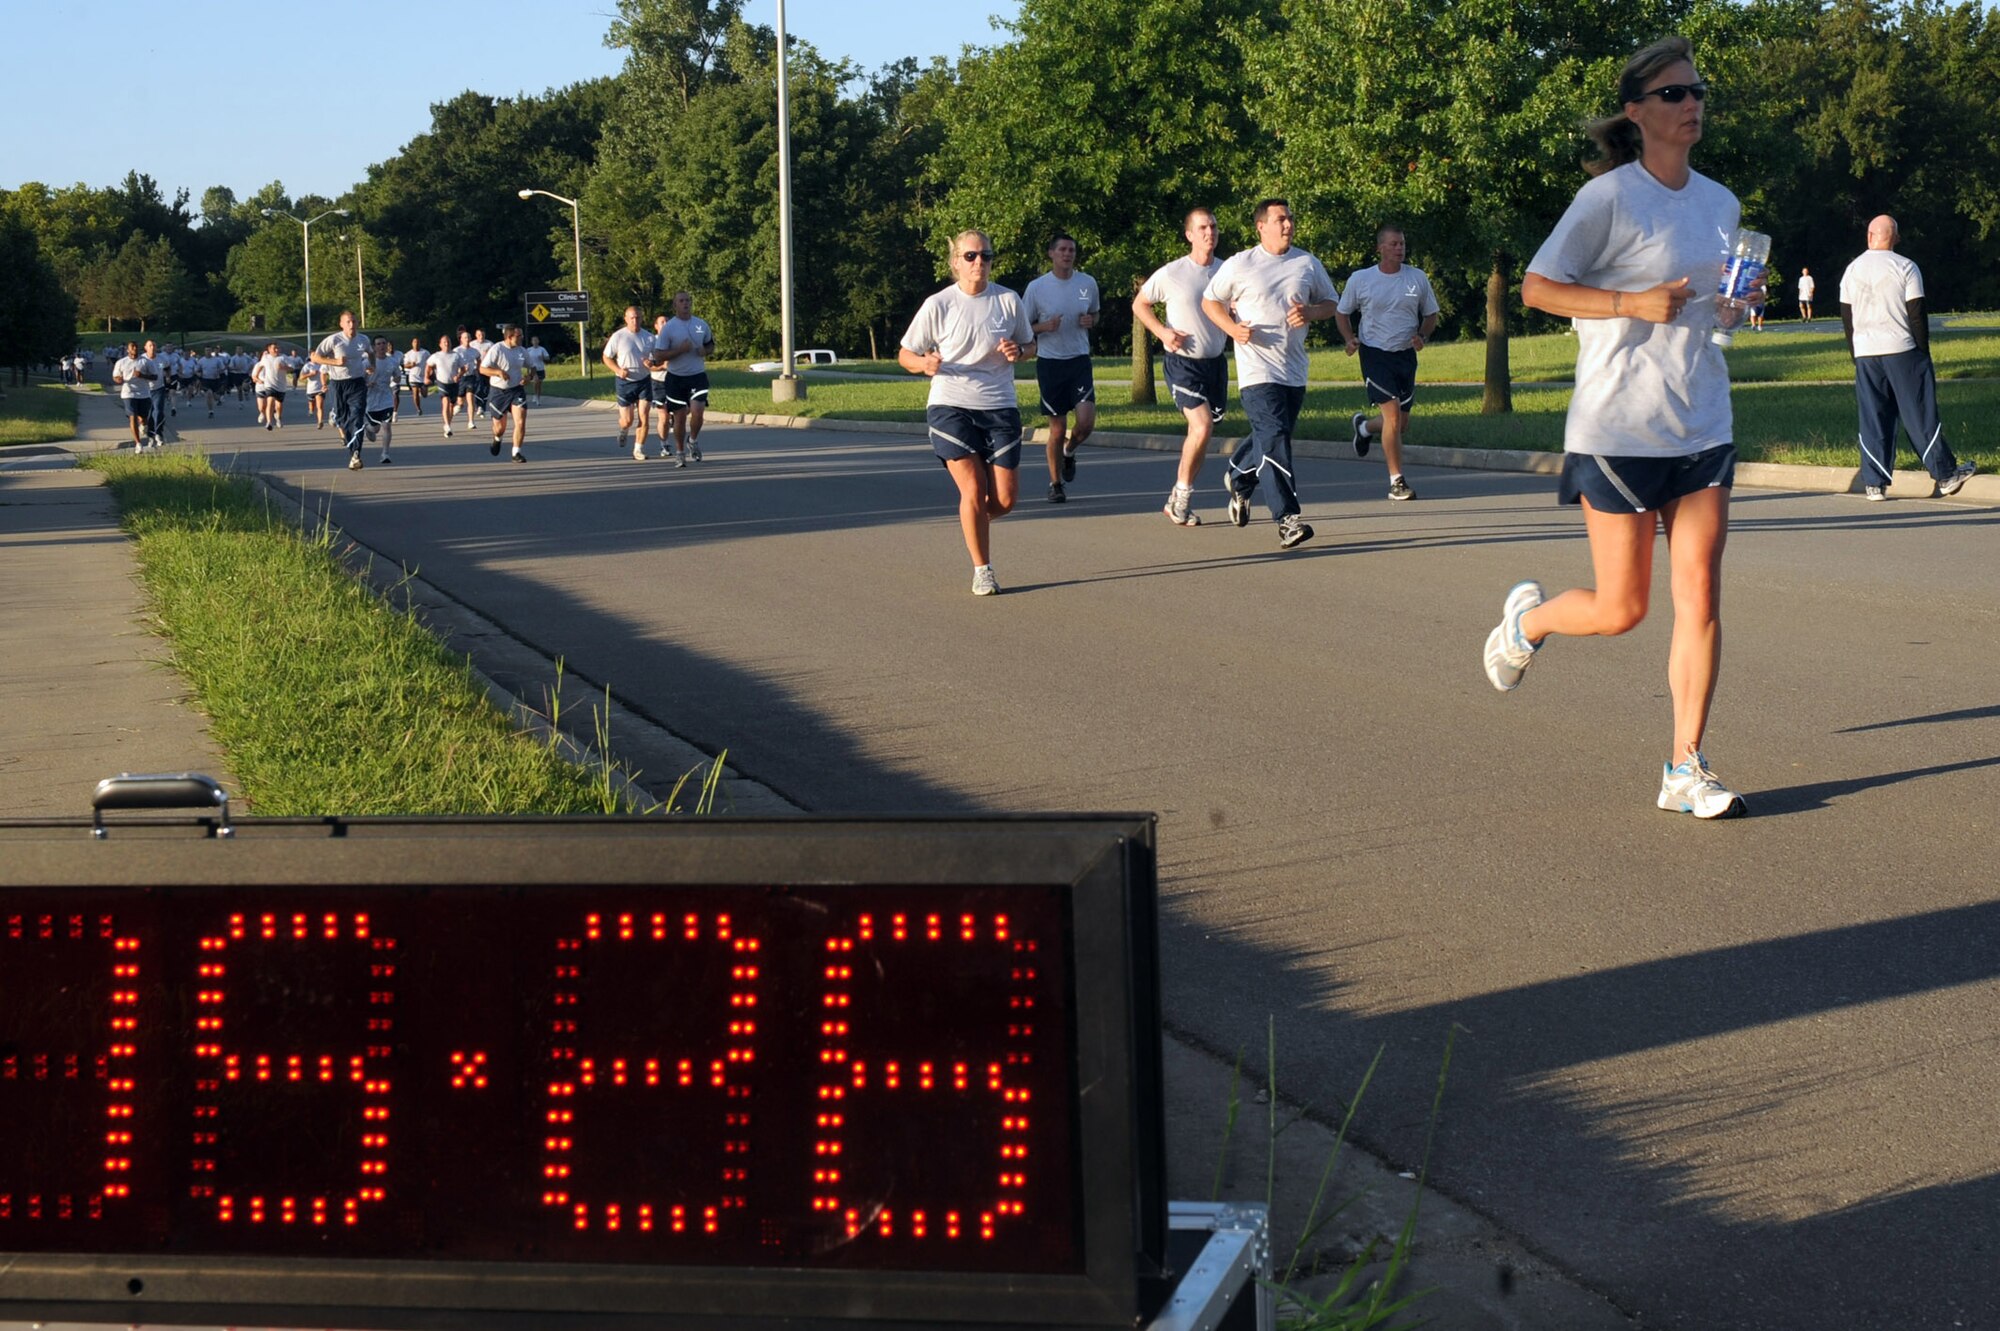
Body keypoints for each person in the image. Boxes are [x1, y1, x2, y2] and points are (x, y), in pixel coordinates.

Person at [1486, 34, 1749, 820]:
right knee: (1622, 608)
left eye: (1698, 91)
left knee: (1699, 596)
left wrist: (1733, 309)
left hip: (1701, 418)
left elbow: (1717, 300)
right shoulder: (1606, 199)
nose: (1692, 104)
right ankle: (1525, 622)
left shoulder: (1721, 203)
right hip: (1618, 427)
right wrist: (1629, 303)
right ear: (1637, 113)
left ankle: (1684, 766)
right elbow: (1536, 287)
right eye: (1674, 94)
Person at [898, 229, 1036, 595]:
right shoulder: (938, 304)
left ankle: (970, 519)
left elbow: (1030, 342)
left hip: (999, 404)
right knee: (973, 489)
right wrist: (923, 363)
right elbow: (905, 353)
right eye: (971, 256)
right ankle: (982, 569)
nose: (979, 263)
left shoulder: (1008, 300)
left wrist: (1019, 352)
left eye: (986, 256)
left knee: (1005, 500)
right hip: (950, 403)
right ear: (956, 261)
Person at [1200, 199, 1339, 550]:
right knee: (1275, 436)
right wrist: (1232, 329)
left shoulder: (1307, 262)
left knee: (1271, 437)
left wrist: (1310, 311)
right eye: (1280, 219)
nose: (1288, 224)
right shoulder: (1241, 264)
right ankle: (1287, 519)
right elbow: (1210, 301)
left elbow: (1332, 304)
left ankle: (1238, 476)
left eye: (1290, 218)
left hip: (1293, 368)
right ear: (1261, 226)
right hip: (1256, 369)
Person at [1838, 215, 1978, 502]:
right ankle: (1945, 473)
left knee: (1874, 416)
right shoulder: (1905, 267)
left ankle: (1874, 483)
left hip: (1865, 352)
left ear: (1869, 236)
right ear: (1895, 238)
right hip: (1902, 349)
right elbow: (1916, 313)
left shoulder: (1851, 270)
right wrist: (1923, 352)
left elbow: (1847, 318)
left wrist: (1856, 354)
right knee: (1919, 413)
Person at [1133, 207, 1227, 526]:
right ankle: (1183, 493)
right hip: (1181, 363)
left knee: (1199, 434)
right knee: (1202, 427)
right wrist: (1162, 332)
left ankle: (1177, 499)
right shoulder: (1172, 272)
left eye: (1212, 227)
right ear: (1189, 234)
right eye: (1201, 228)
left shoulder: (1228, 271)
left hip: (1215, 364)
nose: (1209, 232)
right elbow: (1140, 304)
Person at [1335, 225, 1440, 501]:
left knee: (1401, 424)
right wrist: (1349, 339)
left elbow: (1431, 314)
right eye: (1393, 244)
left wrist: (1422, 336)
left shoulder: (1416, 278)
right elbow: (1342, 312)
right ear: (1380, 248)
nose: (1399, 248)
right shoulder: (1361, 279)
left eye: (1402, 244)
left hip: (1405, 355)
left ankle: (1364, 427)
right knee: (1392, 416)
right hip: (1374, 354)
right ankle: (1397, 482)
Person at [1022, 234, 1099, 502]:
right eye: (1063, 250)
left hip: (1078, 360)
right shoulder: (1037, 287)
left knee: (1086, 422)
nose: (1068, 254)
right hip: (1050, 363)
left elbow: (1095, 312)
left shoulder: (1087, 283)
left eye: (1072, 250)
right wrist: (1043, 327)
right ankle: (1055, 484)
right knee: (1056, 428)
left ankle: (1070, 451)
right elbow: (1022, 328)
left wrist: (1091, 319)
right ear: (1051, 254)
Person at [310, 309, 374, 470]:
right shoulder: (334, 340)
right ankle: (350, 445)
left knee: (357, 417)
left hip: (357, 382)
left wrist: (372, 365)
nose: (352, 324)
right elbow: (315, 357)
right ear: (342, 324)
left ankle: (356, 454)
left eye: (354, 321)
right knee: (343, 420)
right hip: (338, 384)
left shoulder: (363, 339)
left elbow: (370, 353)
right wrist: (334, 362)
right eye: (348, 322)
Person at [659, 291, 714, 464]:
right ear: (675, 305)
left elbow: (710, 345)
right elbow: (659, 355)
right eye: (681, 301)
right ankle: (680, 451)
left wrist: (705, 351)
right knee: (680, 417)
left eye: (688, 300)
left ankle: (693, 441)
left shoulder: (701, 324)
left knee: (698, 412)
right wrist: (679, 351)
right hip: (676, 377)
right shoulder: (668, 328)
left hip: (697, 375)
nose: (685, 303)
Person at [602, 305, 654, 458]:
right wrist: (618, 370)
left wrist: (651, 362)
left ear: (642, 318)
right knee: (627, 420)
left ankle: (638, 449)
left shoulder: (649, 337)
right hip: (625, 382)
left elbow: (657, 356)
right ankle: (623, 430)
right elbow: (606, 357)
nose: (635, 321)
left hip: (644, 380)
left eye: (638, 317)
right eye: (632, 318)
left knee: (644, 416)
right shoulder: (618, 336)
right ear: (626, 319)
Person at [480, 323, 531, 462]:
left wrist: (528, 378)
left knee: (520, 421)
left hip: (516, 390)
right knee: (499, 428)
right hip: (498, 392)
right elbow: (482, 369)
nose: (522, 338)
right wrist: (497, 372)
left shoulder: (522, 350)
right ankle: (497, 439)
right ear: (509, 337)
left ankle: (516, 453)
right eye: (519, 336)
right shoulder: (497, 349)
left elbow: (532, 368)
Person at [111, 340, 158, 451]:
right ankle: (138, 444)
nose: (134, 349)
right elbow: (115, 376)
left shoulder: (146, 362)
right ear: (128, 350)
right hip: (128, 393)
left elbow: (155, 377)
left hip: (144, 393)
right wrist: (118, 379)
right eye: (132, 347)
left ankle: (143, 425)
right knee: (132, 417)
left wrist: (142, 375)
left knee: (144, 418)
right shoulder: (121, 362)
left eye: (136, 347)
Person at [364, 336, 399, 465]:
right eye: (378, 344)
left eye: (384, 343)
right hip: (371, 400)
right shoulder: (367, 362)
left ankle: (385, 453)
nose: (382, 346)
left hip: (387, 399)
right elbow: (359, 380)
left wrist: (396, 380)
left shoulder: (392, 362)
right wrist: (367, 384)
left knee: (387, 426)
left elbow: (397, 376)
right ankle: (367, 428)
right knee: (375, 429)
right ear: (374, 347)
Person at [426, 333, 463, 438]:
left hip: (453, 383)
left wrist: (459, 375)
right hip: (442, 382)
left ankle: (448, 425)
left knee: (451, 405)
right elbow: (428, 366)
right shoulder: (436, 356)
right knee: (445, 402)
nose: (447, 343)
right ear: (440, 344)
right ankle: (447, 425)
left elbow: (464, 368)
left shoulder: (456, 355)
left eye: (448, 342)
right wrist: (426, 377)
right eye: (444, 342)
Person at [253, 341, 291, 431]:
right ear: (269, 349)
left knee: (278, 406)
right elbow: (260, 366)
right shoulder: (266, 358)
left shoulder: (283, 357)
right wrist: (256, 376)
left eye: (278, 348)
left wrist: (283, 368)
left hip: (281, 386)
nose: (277, 350)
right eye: (274, 348)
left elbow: (292, 367)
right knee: (270, 401)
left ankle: (278, 417)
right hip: (269, 385)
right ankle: (269, 422)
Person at [141, 339, 171, 446]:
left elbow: (167, 368)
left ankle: (158, 433)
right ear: (145, 347)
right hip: (145, 390)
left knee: (158, 411)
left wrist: (167, 377)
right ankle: (150, 435)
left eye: (154, 345)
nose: (152, 347)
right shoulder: (142, 359)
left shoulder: (162, 359)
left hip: (159, 388)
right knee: (148, 414)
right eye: (150, 345)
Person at [400, 337, 427, 417]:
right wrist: (410, 365)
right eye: (415, 342)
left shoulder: (425, 353)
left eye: (418, 342)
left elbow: (430, 363)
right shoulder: (408, 354)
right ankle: (418, 409)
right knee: (415, 393)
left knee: (424, 394)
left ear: (420, 343)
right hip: (413, 377)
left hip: (423, 376)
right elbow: (404, 365)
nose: (416, 344)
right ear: (412, 344)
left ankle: (422, 391)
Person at [298, 357, 328, 428]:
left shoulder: (322, 364)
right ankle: (311, 410)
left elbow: (327, 374)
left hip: (320, 389)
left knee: (320, 406)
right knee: (312, 405)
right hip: (311, 389)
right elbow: (301, 377)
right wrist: (310, 374)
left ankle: (320, 421)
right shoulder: (308, 365)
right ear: (311, 357)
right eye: (313, 355)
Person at [525, 335, 549, 405]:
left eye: (536, 340)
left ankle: (537, 396)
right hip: (532, 368)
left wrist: (543, 357)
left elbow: (547, 357)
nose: (535, 342)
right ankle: (536, 398)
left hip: (540, 368)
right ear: (531, 342)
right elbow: (525, 359)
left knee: (539, 384)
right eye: (533, 340)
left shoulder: (542, 349)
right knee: (536, 381)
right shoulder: (529, 350)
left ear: (538, 341)